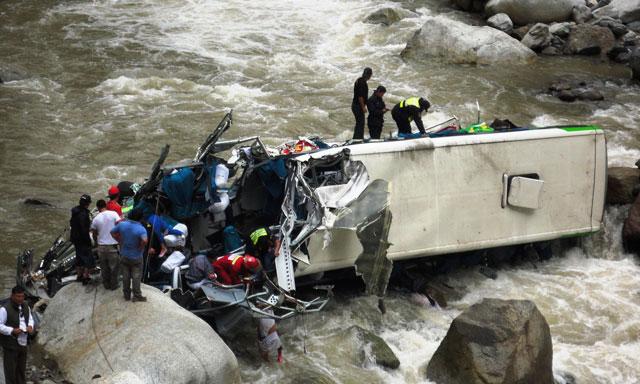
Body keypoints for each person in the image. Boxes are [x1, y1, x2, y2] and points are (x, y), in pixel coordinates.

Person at [111, 208, 148, 302]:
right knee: (136, 276)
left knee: (125, 276)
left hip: (124, 255)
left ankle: (126, 295)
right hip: (136, 257)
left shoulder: (122, 224)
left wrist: (119, 241)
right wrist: (140, 247)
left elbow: (112, 232)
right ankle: (137, 295)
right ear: (140, 217)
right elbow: (144, 240)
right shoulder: (141, 229)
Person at [0, 286, 35, 384]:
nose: (20, 299)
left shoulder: (26, 306)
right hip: (10, 345)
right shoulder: (4, 309)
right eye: (18, 296)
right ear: (12, 296)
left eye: (22, 296)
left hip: (23, 343)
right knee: (10, 371)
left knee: (21, 370)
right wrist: (11, 330)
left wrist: (30, 326)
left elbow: (30, 319)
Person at [90, 199, 121, 290]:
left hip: (101, 247)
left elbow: (94, 233)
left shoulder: (96, 219)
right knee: (114, 267)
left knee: (104, 267)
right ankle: (114, 285)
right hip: (113, 246)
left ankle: (106, 284)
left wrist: (96, 242)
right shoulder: (114, 214)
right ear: (105, 206)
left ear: (98, 208)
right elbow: (120, 225)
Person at [70, 194, 94, 285]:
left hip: (75, 238)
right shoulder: (84, 214)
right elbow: (84, 230)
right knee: (89, 259)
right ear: (87, 204)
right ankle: (85, 277)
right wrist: (88, 241)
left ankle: (79, 276)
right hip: (83, 239)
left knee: (79, 258)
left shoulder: (75, 211)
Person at [352, 67, 373, 140]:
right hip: (358, 106)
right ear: (369, 75)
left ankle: (358, 138)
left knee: (360, 123)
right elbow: (360, 96)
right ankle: (357, 139)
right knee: (360, 123)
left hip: (355, 105)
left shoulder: (359, 80)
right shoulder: (362, 82)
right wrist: (363, 107)